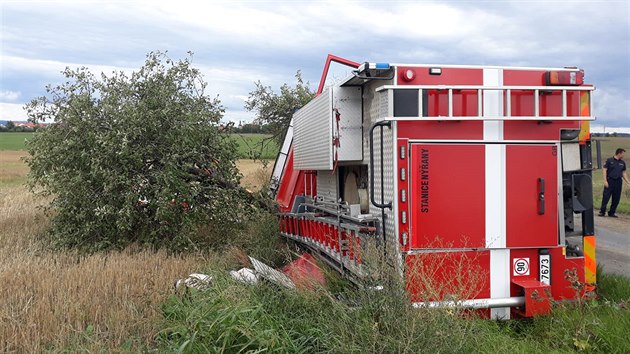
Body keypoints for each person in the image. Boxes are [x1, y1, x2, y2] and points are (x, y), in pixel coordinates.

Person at [599, 148, 630, 217]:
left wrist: (628, 181)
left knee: (616, 198)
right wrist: (605, 181)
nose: (624, 155)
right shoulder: (609, 160)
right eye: (623, 154)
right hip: (610, 181)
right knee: (606, 197)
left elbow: (624, 173)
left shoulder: (622, 163)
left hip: (618, 181)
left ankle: (612, 212)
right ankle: (602, 211)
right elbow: (604, 170)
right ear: (619, 153)